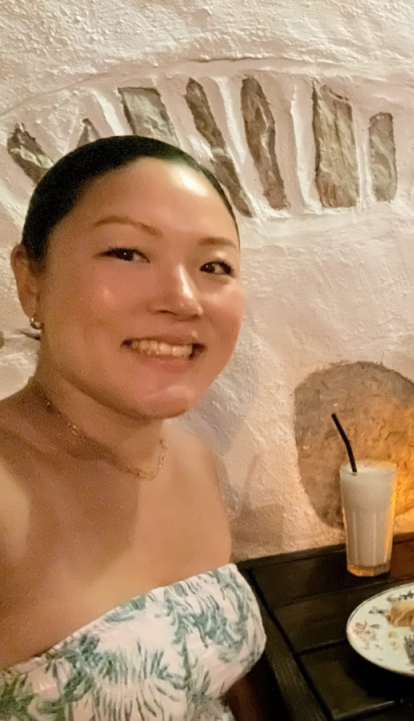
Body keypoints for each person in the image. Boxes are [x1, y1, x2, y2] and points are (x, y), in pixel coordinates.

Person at [0, 136, 266, 720]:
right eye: (127, 252)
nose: (182, 298)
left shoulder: (195, 460)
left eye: (214, 266)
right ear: (31, 279)